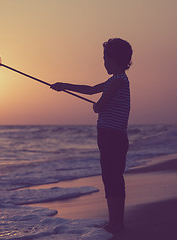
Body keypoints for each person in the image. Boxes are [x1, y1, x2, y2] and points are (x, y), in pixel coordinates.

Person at [50, 38, 132, 233]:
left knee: (112, 178)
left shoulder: (118, 80)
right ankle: (116, 221)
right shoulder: (116, 79)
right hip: (113, 136)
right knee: (112, 178)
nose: (103, 62)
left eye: (105, 58)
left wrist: (97, 106)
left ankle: (116, 223)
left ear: (114, 59)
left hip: (111, 137)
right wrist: (64, 86)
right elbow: (91, 89)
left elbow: (100, 104)